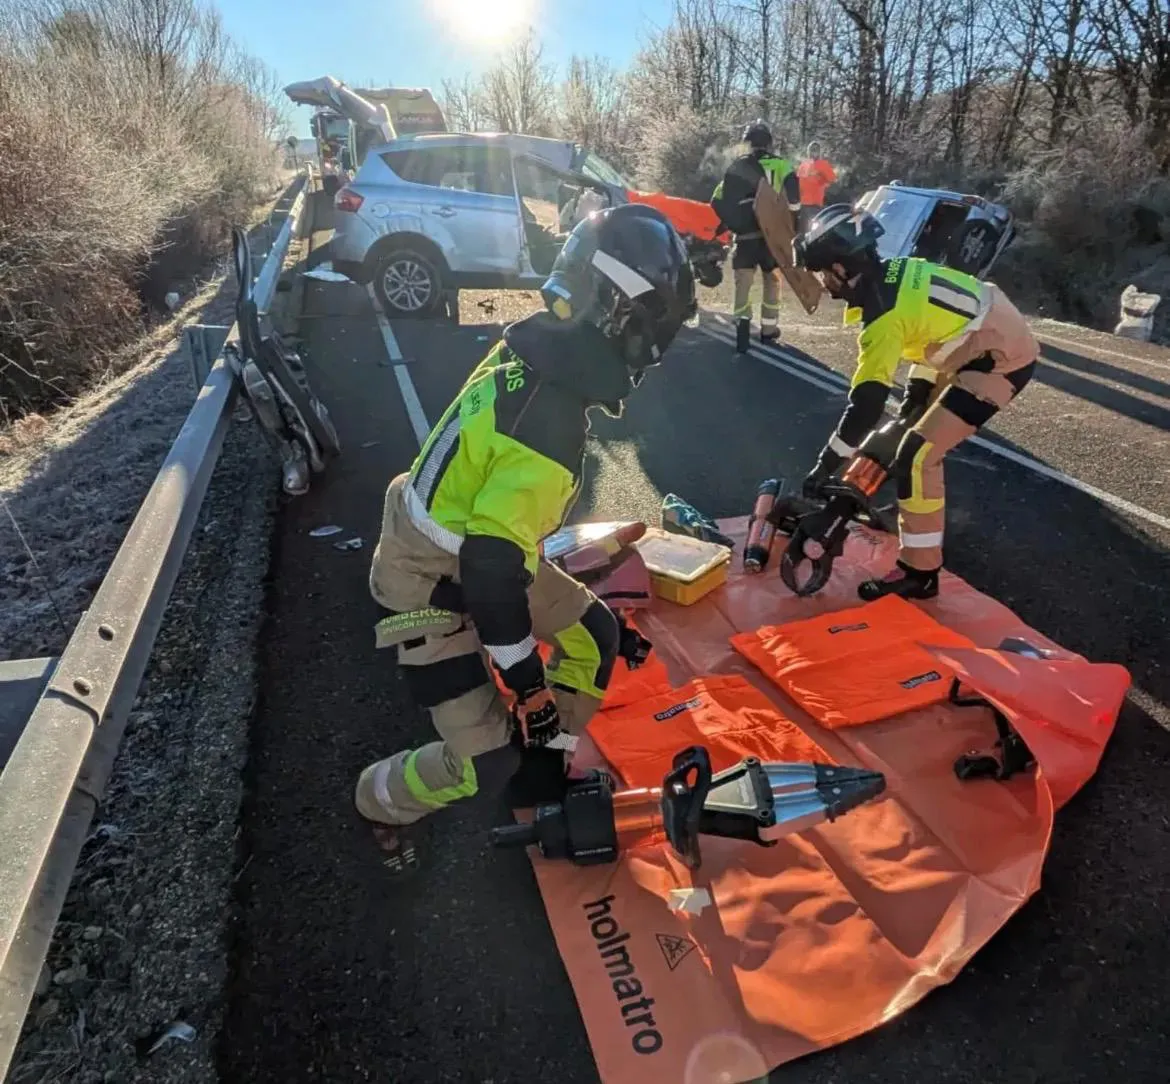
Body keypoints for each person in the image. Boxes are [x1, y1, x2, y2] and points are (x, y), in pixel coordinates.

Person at [354, 203, 697, 875]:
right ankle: (377, 799)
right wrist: (530, 687)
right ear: (626, 318)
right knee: (478, 766)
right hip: (428, 581)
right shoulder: (550, 428)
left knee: (593, 634)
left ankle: (540, 770)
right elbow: (488, 573)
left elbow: (494, 537)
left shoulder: (533, 346)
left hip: (474, 543)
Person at [793, 204, 1039, 601]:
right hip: (973, 339)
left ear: (841, 268)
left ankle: (919, 573)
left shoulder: (882, 316)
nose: (823, 283)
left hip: (1000, 358)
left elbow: (866, 405)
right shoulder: (895, 270)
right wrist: (916, 394)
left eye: (823, 273)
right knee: (899, 429)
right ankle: (868, 499)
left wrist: (827, 465)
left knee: (917, 455)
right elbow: (931, 330)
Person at [711, 119, 801, 353]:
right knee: (772, 281)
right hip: (771, 238)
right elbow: (795, 199)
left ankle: (742, 324)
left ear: (748, 143)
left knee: (743, 282)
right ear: (769, 144)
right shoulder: (782, 166)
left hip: (744, 237)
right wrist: (792, 225)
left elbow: (716, 200)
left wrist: (731, 223)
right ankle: (769, 329)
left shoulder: (736, 167)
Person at [795, 141, 837, 231]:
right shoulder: (823, 164)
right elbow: (833, 182)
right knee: (815, 233)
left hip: (803, 206)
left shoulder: (803, 165)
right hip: (815, 205)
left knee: (803, 232)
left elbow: (798, 183)